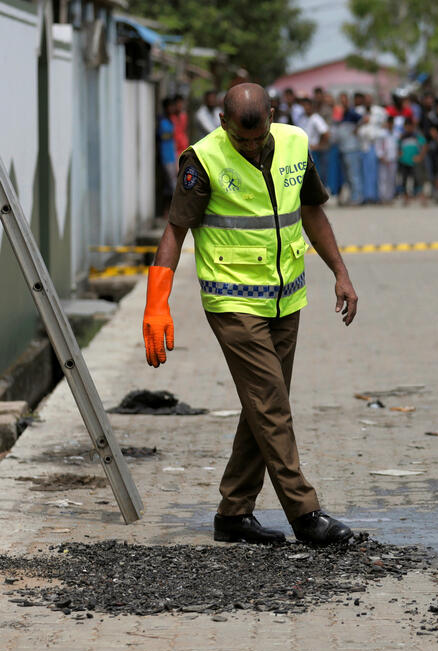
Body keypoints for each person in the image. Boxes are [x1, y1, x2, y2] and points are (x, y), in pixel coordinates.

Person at [142, 83, 358, 546]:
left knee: (262, 406)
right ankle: (305, 513)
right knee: (272, 405)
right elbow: (175, 230)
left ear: (272, 116)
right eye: (241, 139)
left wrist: (340, 272)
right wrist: (157, 302)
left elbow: (312, 212)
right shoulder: (203, 160)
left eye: (258, 138)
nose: (251, 147)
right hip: (232, 301)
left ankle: (233, 513)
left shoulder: (296, 143)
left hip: (285, 299)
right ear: (223, 123)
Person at [398, 117, 427, 206]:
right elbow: (398, 147)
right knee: (404, 180)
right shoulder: (402, 137)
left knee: (418, 180)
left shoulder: (417, 136)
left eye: (410, 126)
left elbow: (424, 146)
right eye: (406, 126)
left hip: (414, 162)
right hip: (404, 162)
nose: (408, 128)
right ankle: (406, 198)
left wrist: (420, 156)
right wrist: (399, 155)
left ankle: (422, 198)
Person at [302, 97, 331, 185]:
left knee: (318, 177)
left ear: (311, 106)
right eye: (304, 106)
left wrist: (319, 146)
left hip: (315, 153)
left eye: (307, 105)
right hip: (305, 152)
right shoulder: (303, 118)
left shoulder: (316, 118)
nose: (306, 108)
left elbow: (326, 133)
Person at [158, 97, 178, 211]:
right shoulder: (162, 121)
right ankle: (170, 210)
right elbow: (162, 136)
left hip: (172, 155)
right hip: (166, 156)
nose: (172, 108)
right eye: (170, 106)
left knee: (170, 184)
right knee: (172, 184)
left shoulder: (170, 120)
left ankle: (168, 210)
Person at [375, 116, 398, 203]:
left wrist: (396, 156)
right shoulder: (382, 134)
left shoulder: (396, 134)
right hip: (384, 159)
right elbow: (378, 146)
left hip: (393, 159)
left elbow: (396, 147)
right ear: (387, 123)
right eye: (389, 123)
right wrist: (381, 156)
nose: (390, 125)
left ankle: (389, 197)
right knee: (383, 179)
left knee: (391, 179)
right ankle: (383, 197)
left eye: (392, 123)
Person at [171, 94, 189, 158]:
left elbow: (185, 130)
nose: (180, 105)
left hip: (184, 146)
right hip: (174, 148)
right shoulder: (171, 117)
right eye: (177, 103)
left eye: (181, 103)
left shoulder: (184, 116)